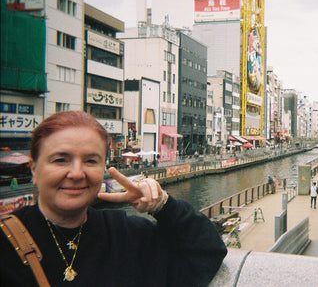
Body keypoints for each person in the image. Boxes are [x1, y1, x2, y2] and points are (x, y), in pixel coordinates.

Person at [0, 111, 227, 286]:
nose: (77, 173)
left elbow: (207, 251)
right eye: (61, 160)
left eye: (91, 161)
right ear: (34, 169)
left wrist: (163, 206)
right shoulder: (5, 241)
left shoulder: (128, 234)